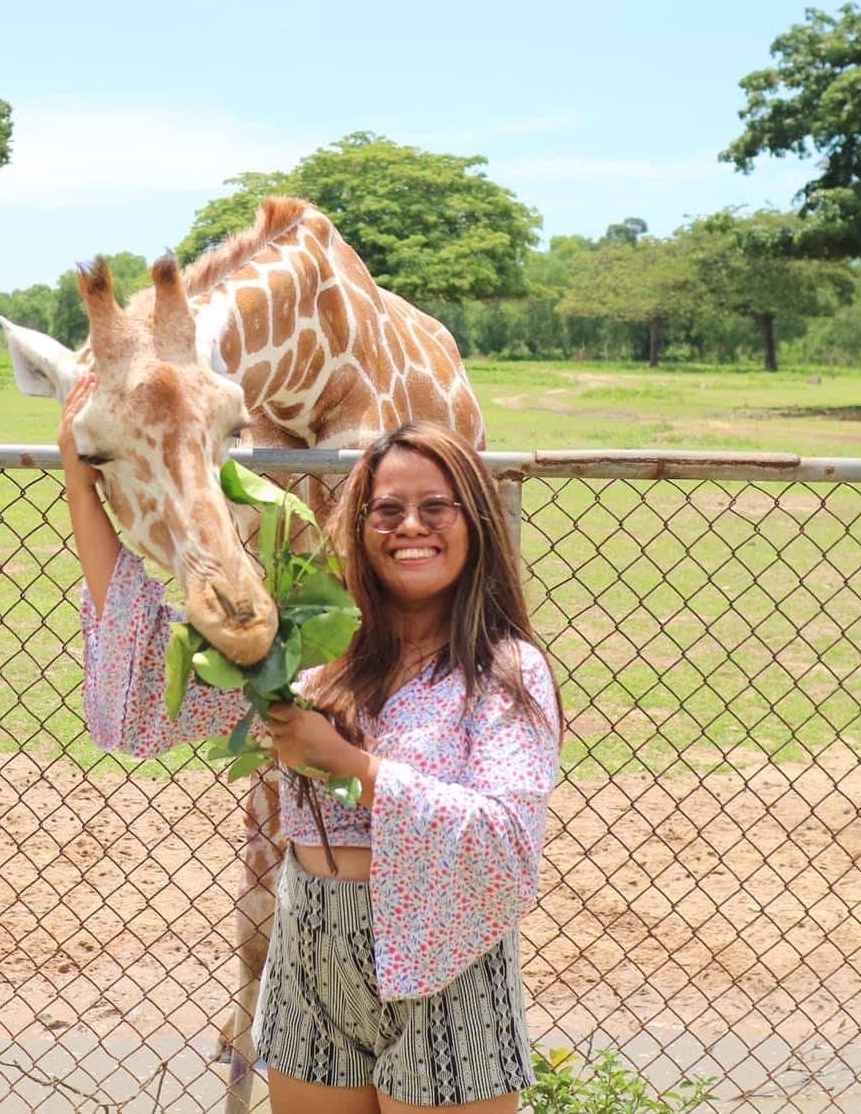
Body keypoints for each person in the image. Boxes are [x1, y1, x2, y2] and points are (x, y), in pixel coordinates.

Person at [61, 390, 563, 1114]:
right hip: (311, 948)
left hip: (445, 958)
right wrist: (82, 481)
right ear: (359, 528)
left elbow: (506, 841)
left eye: (436, 508)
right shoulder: (315, 650)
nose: (409, 527)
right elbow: (147, 679)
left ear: (475, 524)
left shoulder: (503, 673)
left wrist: (355, 768)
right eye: (387, 511)